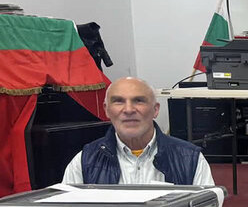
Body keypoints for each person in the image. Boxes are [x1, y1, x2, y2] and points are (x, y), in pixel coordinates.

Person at [62, 77, 214, 186]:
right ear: (106, 110)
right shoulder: (84, 161)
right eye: (118, 101)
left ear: (155, 109)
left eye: (138, 101)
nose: (128, 110)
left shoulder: (190, 159)